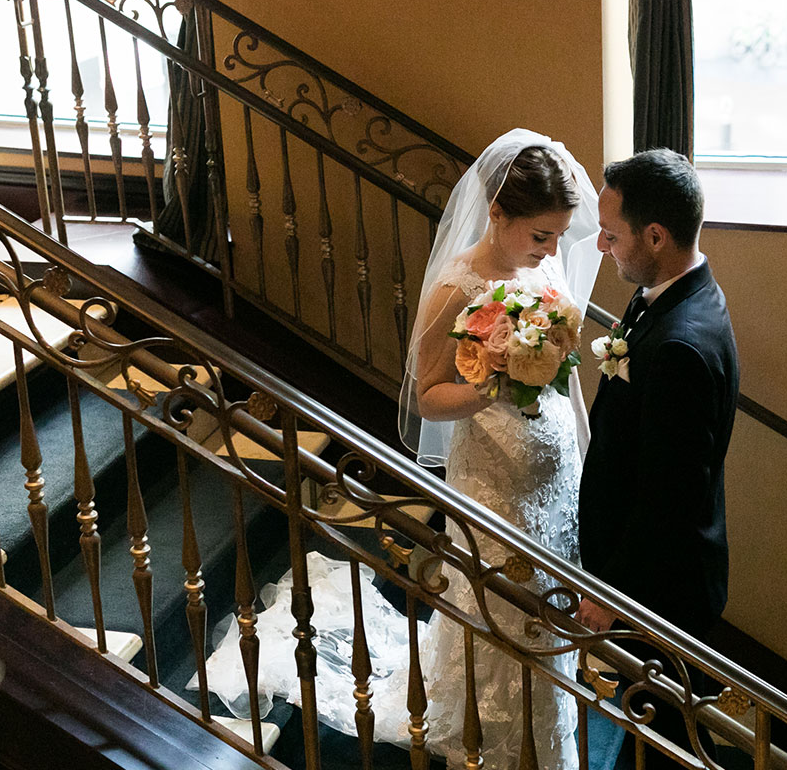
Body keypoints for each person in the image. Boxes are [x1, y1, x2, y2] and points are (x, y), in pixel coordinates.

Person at [194, 129, 602, 770]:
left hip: (553, 482)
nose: (552, 250)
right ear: (498, 214)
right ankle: (493, 739)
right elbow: (425, 394)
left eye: (557, 236)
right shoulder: (456, 287)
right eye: (542, 235)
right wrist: (488, 389)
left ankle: (546, 734)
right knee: (499, 609)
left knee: (547, 612)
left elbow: (568, 371)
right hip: (492, 482)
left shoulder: (542, 270)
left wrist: (584, 449)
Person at [576, 148, 738, 770]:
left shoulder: (682, 347)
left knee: (664, 743)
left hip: (662, 594)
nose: (601, 248)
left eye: (610, 236)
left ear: (655, 235)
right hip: (656, 578)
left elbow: (666, 499)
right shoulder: (672, 293)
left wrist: (612, 592)